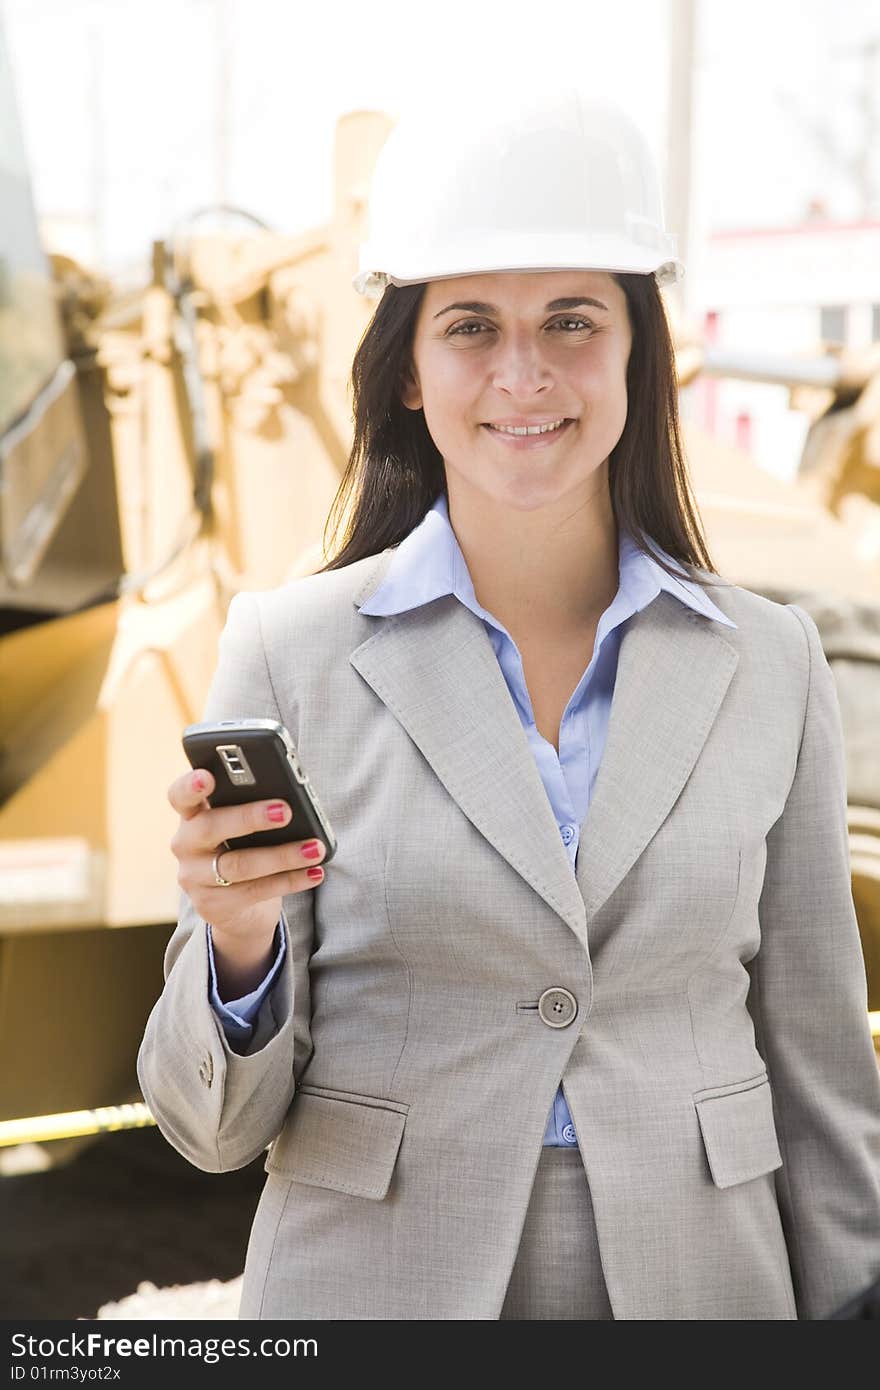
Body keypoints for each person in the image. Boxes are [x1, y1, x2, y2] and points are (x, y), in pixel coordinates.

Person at [137, 91, 880, 1320]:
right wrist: (238, 944)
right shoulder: (290, 653)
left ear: (640, 352)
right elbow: (210, 1132)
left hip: (705, 1291)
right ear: (409, 374)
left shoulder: (771, 664)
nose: (522, 373)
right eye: (470, 326)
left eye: (572, 322)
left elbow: (816, 1063)